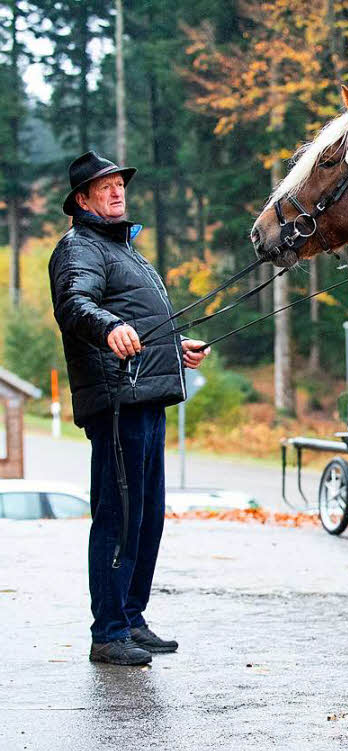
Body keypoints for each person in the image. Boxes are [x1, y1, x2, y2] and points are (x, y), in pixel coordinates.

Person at [48, 151, 211, 666]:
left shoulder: (124, 249)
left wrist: (174, 347)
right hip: (117, 401)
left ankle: (131, 619)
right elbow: (77, 305)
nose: (117, 192)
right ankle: (109, 632)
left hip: (147, 394)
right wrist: (108, 328)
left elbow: (139, 317)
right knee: (118, 518)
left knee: (146, 518)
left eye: (120, 183)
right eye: (105, 187)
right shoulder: (79, 248)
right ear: (83, 200)